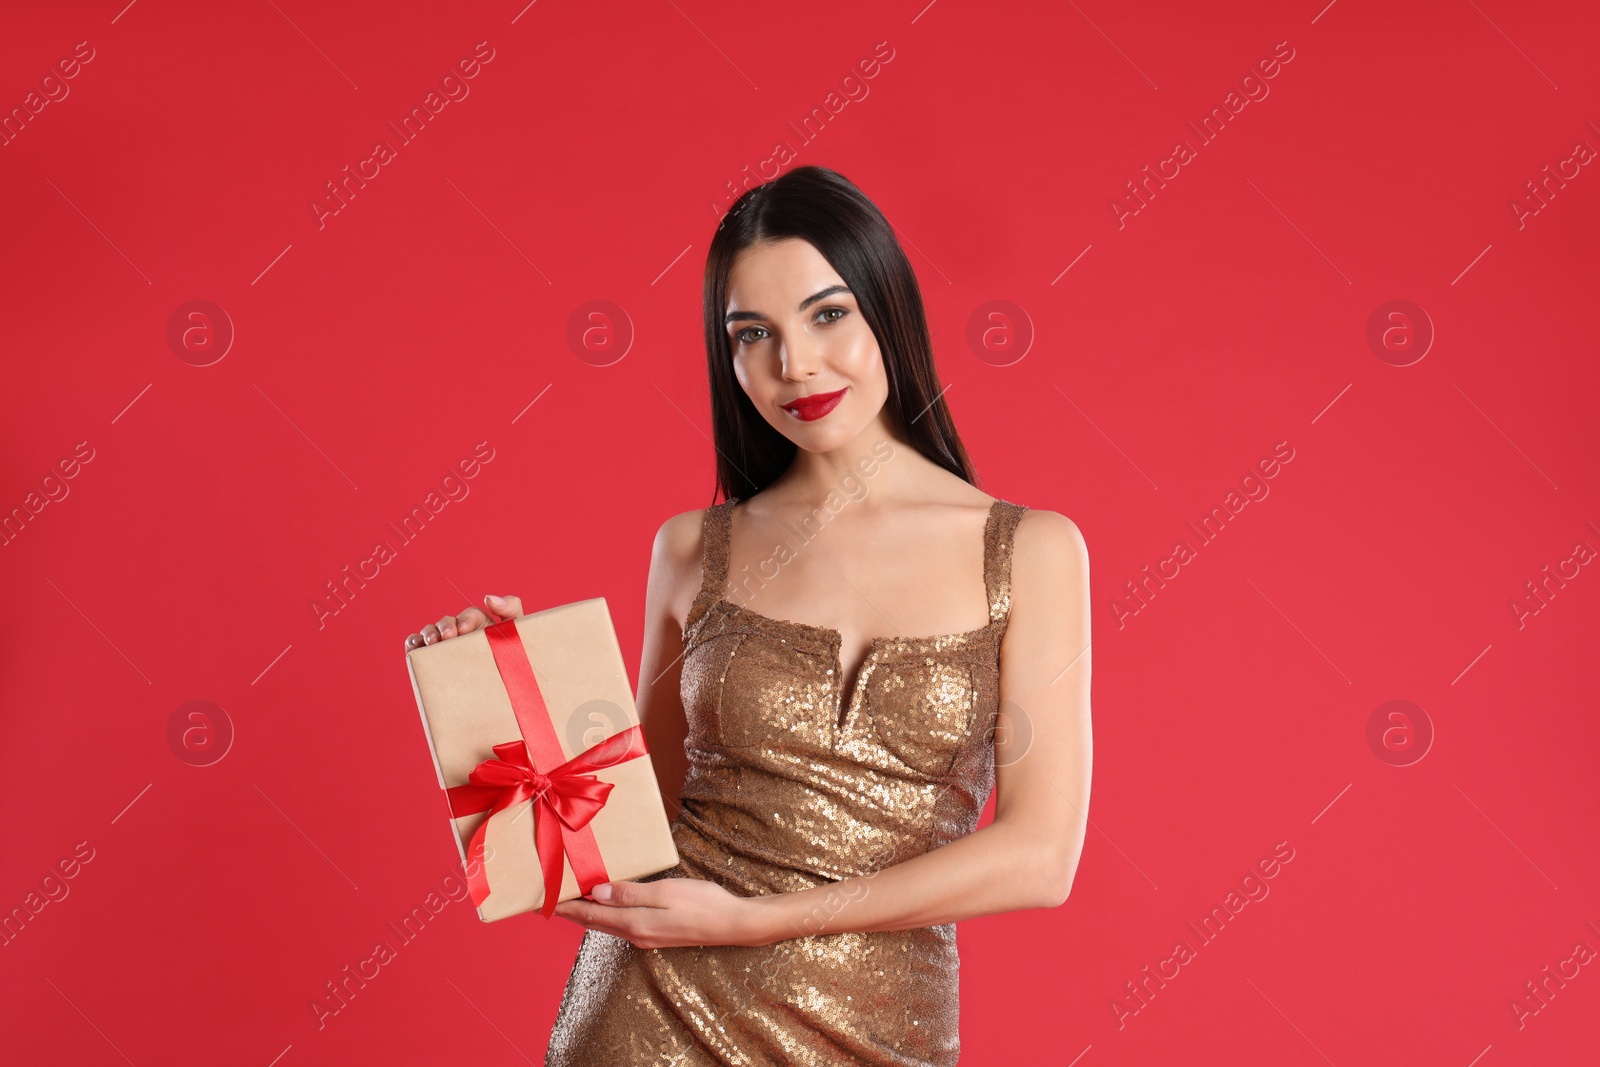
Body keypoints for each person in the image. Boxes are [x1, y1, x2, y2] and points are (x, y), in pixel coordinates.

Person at [402, 165, 1092, 1065]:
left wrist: (756, 920)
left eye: (827, 313)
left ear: (888, 305)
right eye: (752, 334)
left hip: (883, 1032)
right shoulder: (695, 546)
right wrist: (503, 699)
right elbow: (622, 839)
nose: (794, 364)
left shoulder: (1031, 549)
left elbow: (1041, 857)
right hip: (652, 1020)